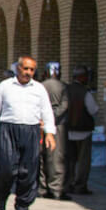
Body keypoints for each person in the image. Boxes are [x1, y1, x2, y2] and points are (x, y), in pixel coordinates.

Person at [0, 55, 56, 210]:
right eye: (25, 68)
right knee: (7, 168)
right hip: (8, 130)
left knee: (28, 172)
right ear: (18, 68)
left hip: (31, 131)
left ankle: (21, 208)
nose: (28, 72)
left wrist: (49, 132)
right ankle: (2, 199)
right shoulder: (5, 87)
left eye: (31, 70)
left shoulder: (39, 89)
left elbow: (47, 111)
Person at [63, 65, 99, 196]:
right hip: (83, 130)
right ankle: (80, 185)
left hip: (68, 130)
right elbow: (93, 110)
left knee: (69, 160)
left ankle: (68, 183)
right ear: (82, 77)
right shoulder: (85, 92)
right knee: (83, 160)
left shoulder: (66, 90)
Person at [39, 62, 67, 200]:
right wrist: (52, 117)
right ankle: (56, 188)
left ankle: (42, 187)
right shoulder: (62, 87)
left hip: (41, 125)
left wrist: (43, 118)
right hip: (57, 125)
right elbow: (64, 106)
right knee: (56, 157)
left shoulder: (40, 86)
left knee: (42, 157)